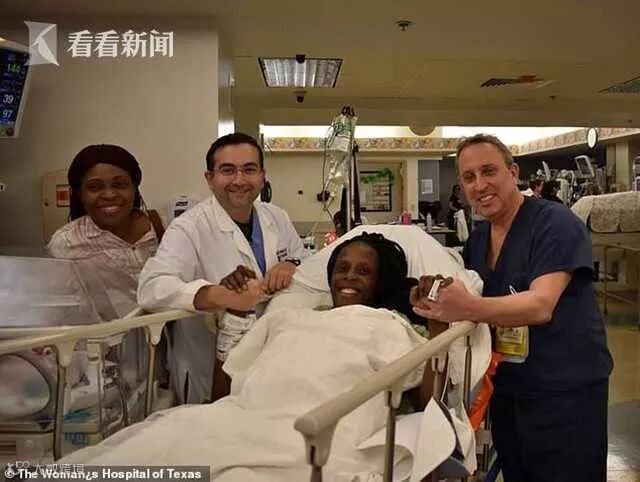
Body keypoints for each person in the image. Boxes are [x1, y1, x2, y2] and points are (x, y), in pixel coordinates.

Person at [62, 234, 435, 481]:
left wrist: (437, 323)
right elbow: (223, 392)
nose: (348, 278)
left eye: (364, 271)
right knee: (138, 456)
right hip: (245, 417)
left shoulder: (390, 325)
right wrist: (237, 311)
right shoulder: (287, 318)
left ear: (381, 282)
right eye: (342, 268)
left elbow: (424, 402)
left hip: (317, 431)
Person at [411, 134, 613, 482]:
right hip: (509, 390)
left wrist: (467, 306)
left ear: (513, 172)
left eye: (489, 171)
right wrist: (432, 299)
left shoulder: (555, 223)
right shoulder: (478, 240)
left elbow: (540, 305)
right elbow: (469, 295)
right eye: (469, 177)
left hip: (565, 391)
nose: (480, 185)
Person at [137, 132, 306, 404]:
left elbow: (303, 259)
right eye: (227, 170)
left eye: (249, 169)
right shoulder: (189, 228)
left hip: (271, 360)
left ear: (262, 176)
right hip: (206, 368)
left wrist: (290, 264)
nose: (239, 180)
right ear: (210, 178)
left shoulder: (276, 217)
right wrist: (217, 295)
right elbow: (152, 287)